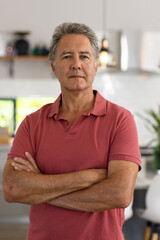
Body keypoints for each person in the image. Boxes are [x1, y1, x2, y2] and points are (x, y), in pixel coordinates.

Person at [3, 22, 141, 240]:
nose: (76, 64)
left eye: (84, 56)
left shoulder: (120, 120)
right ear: (53, 66)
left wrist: (41, 189)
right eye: (67, 56)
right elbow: (12, 188)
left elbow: (120, 194)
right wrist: (87, 177)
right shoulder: (32, 123)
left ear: (95, 65)